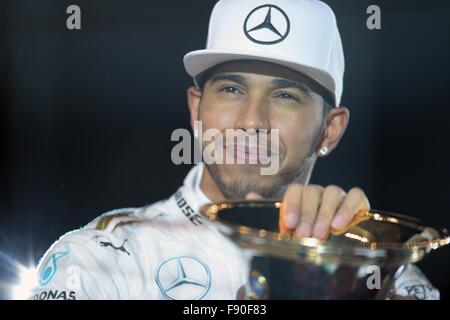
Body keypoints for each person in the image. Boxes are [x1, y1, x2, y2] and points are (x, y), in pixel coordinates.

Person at [29, 0, 439, 300]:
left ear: (330, 130)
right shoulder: (102, 261)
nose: (251, 121)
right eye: (231, 88)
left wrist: (341, 275)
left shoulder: (382, 275)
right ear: (196, 107)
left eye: (285, 96)